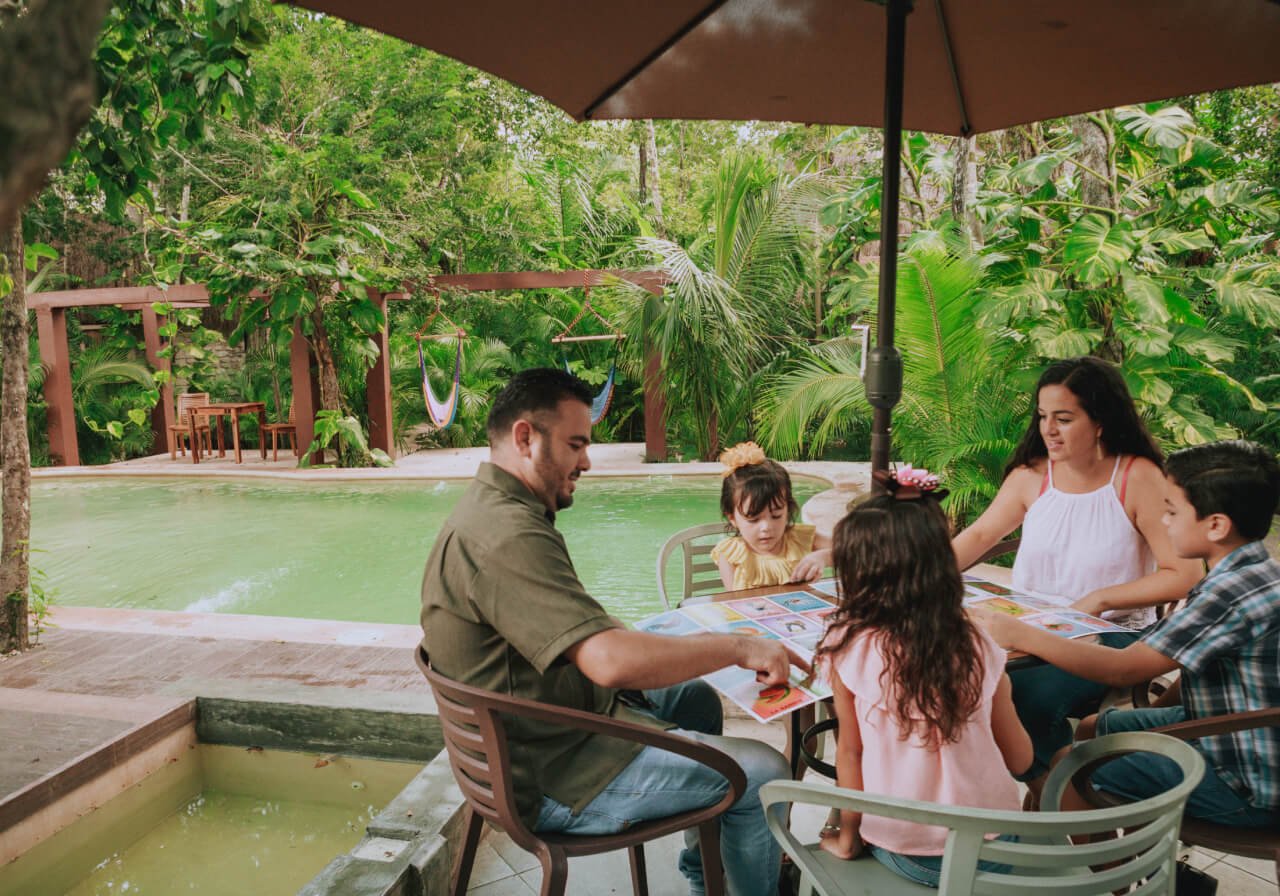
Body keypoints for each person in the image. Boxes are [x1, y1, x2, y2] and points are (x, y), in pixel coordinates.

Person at [420, 368, 804, 896]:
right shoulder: (506, 535)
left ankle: (705, 872)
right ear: (526, 438)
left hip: (547, 729)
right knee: (763, 770)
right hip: (556, 774)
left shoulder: (496, 512)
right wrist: (740, 646)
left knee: (693, 702)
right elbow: (608, 662)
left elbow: (582, 634)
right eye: (576, 444)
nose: (586, 461)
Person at [976, 440, 1280, 829]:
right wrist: (1153, 721)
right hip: (1233, 729)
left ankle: (1107, 881)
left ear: (1216, 525)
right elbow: (1193, 666)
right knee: (1091, 728)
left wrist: (1017, 632)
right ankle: (1101, 840)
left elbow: (1123, 671)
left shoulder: (1226, 594)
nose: (1163, 521)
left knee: (1067, 769)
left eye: (1171, 511)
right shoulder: (1253, 572)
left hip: (1243, 779)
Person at [951, 356, 1201, 794]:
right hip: (1025, 625)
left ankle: (1054, 799)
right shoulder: (1032, 475)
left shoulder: (1137, 477)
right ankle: (1021, 796)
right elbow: (981, 535)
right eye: (1044, 416)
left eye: (1063, 418)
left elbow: (1184, 574)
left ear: (1100, 420)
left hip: (1112, 635)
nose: (1049, 429)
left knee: (1022, 698)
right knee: (955, 675)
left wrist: (1101, 599)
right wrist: (909, 573)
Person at [814, 467, 1033, 888]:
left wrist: (847, 838)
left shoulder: (847, 649)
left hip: (908, 852)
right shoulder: (979, 644)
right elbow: (1021, 760)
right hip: (997, 850)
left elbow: (850, 756)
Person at [711, 441, 832, 590]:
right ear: (732, 519)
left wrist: (823, 557)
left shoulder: (802, 539)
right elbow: (733, 602)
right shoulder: (731, 555)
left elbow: (857, 550)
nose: (766, 527)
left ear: (787, 510)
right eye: (754, 519)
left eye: (776, 515)